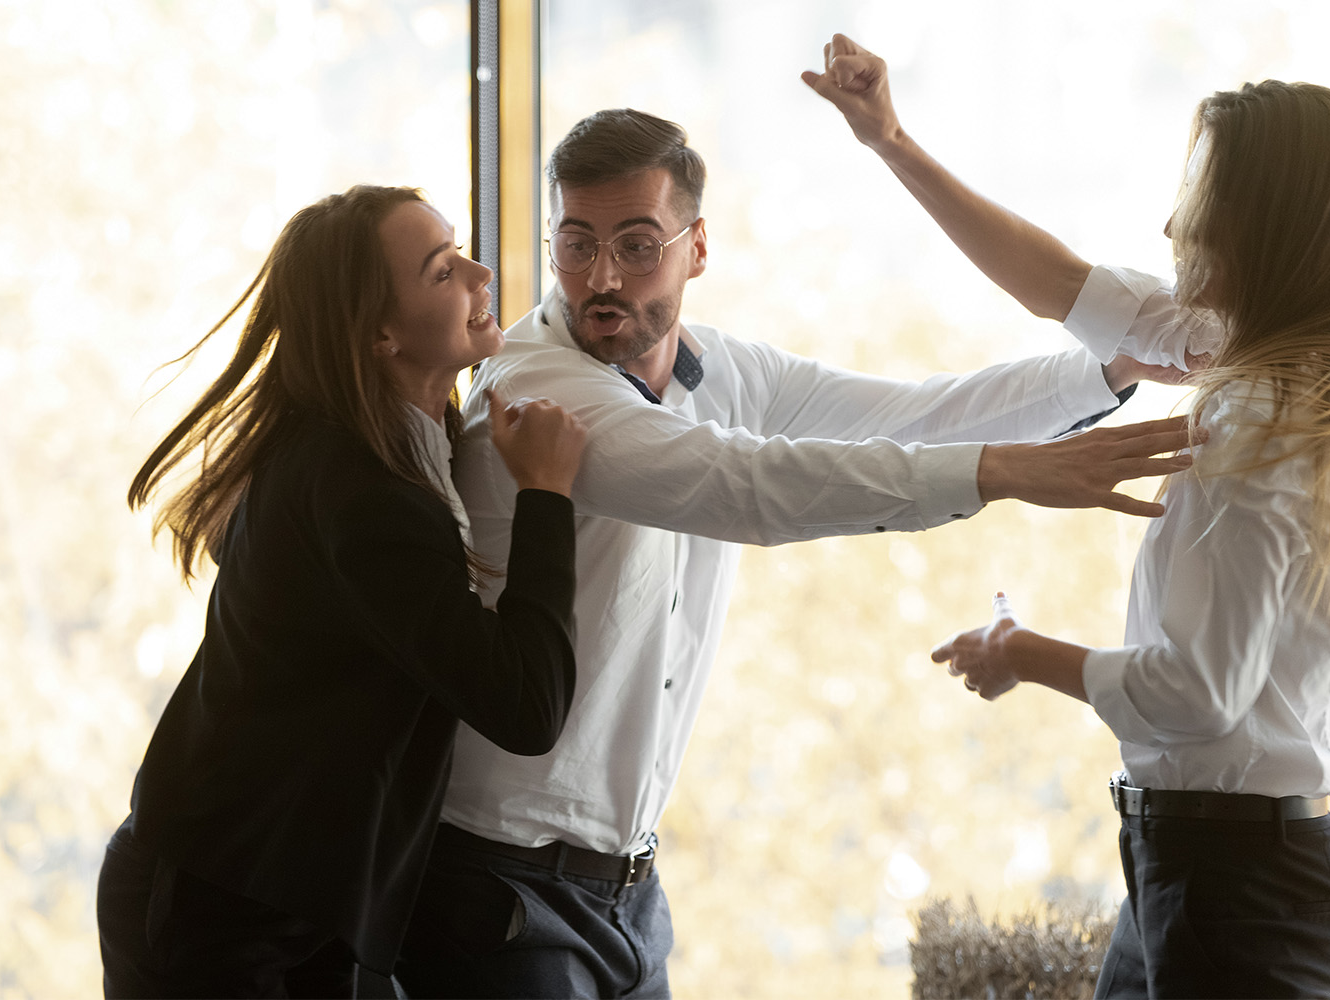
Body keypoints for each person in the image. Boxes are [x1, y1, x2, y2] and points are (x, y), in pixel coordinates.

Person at [392, 105, 1201, 997]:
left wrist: (1108, 370)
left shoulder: (725, 373)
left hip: (627, 890)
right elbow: (746, 486)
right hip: (499, 883)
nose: (601, 278)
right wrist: (1008, 473)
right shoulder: (535, 383)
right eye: (575, 245)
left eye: (637, 244)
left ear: (697, 248)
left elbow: (915, 414)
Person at [806, 31, 1330, 999]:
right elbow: (1062, 284)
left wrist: (1020, 652)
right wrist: (892, 140)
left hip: (1231, 885)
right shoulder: (1305, 380)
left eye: (1204, 200)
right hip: (1213, 865)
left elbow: (1199, 693)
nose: (1175, 225)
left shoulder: (1260, 412)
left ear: (1264, 232)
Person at [96, 185, 588, 996]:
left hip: (285, 900)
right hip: (219, 906)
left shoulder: (392, 442)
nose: (481, 271)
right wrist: (546, 493)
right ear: (379, 335)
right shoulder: (362, 492)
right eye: (442, 271)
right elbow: (525, 704)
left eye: (461, 249)